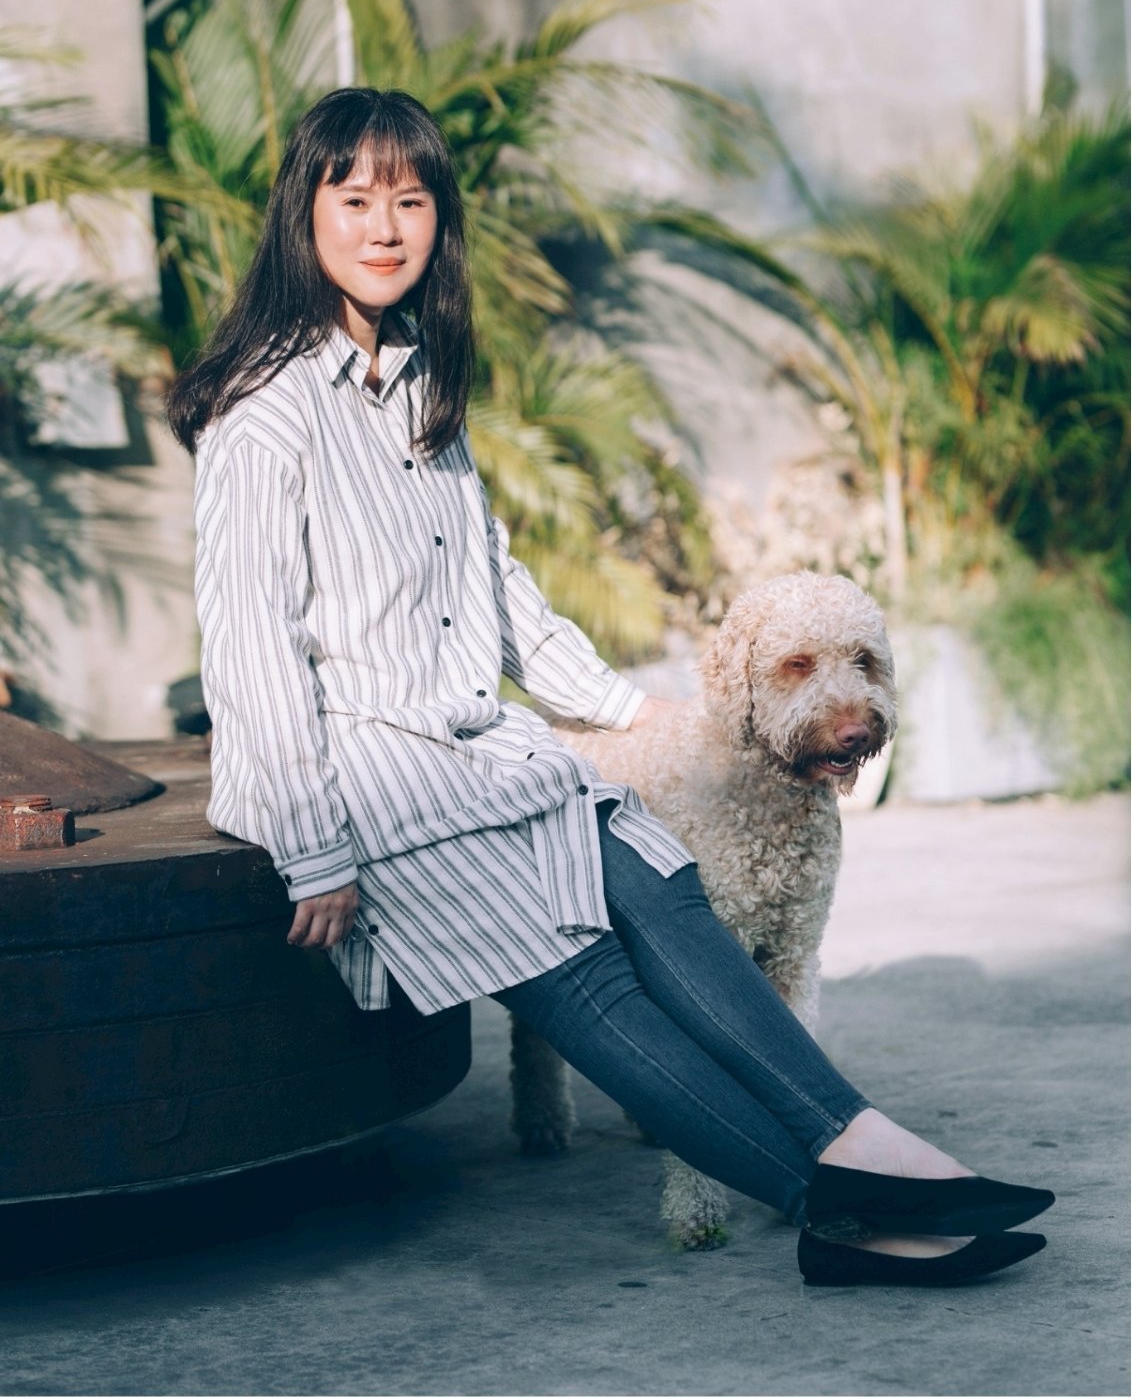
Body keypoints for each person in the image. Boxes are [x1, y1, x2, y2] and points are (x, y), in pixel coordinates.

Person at [167, 87, 1053, 1287]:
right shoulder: (262, 412)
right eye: (355, 198)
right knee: (589, 985)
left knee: (658, 878)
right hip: (368, 769)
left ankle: (869, 1142)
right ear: (303, 215)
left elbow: (492, 576)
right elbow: (249, 640)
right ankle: (846, 1213)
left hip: (484, 746)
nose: (385, 226)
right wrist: (315, 847)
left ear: (439, 221)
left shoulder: (419, 385)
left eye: (411, 200)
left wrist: (618, 707)